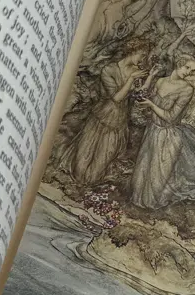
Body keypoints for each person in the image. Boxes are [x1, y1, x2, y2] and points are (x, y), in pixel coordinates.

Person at [130, 55, 195, 210]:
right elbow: (147, 104)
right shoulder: (160, 81)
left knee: (159, 180)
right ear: (178, 64)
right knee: (144, 174)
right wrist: (147, 96)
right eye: (187, 68)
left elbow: (170, 117)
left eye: (192, 70)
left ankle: (155, 206)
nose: (189, 72)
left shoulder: (187, 89)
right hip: (152, 131)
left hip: (169, 135)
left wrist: (151, 105)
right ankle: (142, 206)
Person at [60, 37, 156, 190]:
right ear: (133, 50)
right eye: (142, 54)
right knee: (83, 160)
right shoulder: (109, 70)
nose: (143, 59)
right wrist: (131, 79)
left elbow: (137, 94)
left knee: (99, 166)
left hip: (119, 121)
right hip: (102, 117)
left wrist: (149, 77)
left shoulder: (135, 71)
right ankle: (75, 183)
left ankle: (86, 187)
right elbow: (116, 98)